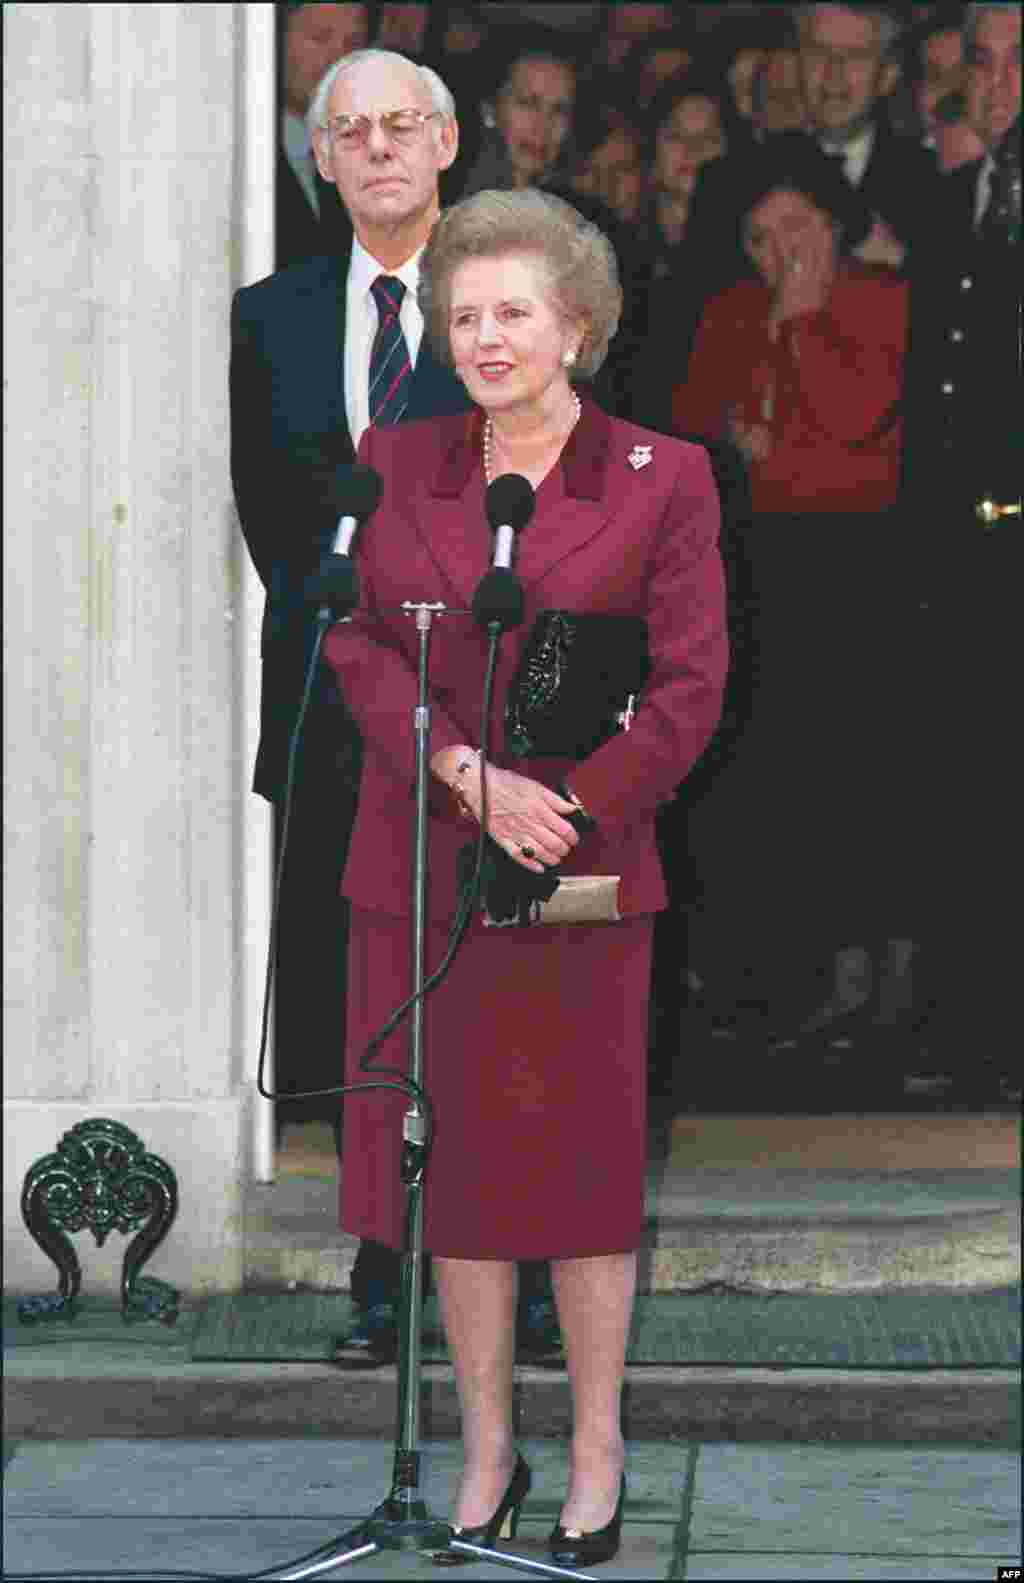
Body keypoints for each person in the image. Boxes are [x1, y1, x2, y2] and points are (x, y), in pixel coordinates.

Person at [321, 187, 727, 1564]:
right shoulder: (401, 452)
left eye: (514, 312)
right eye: (465, 314)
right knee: (462, 1173)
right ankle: (487, 1441)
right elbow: (360, 642)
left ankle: (599, 1441)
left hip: (576, 878)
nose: (486, 338)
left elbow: (690, 686)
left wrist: (570, 801)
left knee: (580, 1172)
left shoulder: (664, 475)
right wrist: (460, 771)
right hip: (431, 862)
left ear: (578, 326)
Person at [231, 47, 558, 1367]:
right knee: (363, 997)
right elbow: (275, 517)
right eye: (348, 131)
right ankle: (383, 1268)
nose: (375, 149)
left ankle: (520, 1269)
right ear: (320, 158)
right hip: (336, 704)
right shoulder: (271, 314)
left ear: (445, 143)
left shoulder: (512, 297)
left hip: (492, 702)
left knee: (502, 994)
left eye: (399, 126)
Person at [670, 136, 913, 1088]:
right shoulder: (736, 309)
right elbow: (700, 424)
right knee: (788, 779)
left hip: (865, 566)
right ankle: (808, 981)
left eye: (797, 231)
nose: (782, 256)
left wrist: (806, 329)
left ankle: (883, 985)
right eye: (761, 239)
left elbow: (860, 422)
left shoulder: (880, 300)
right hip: (764, 564)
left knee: (866, 774)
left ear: (836, 227)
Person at [897, 1, 1020, 1103]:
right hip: (956, 547)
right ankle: (975, 1029)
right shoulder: (953, 204)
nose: (998, 80)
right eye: (984, 60)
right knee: (968, 792)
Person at [276, 2, 369, 268]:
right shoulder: (244, 149)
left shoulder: (362, 159)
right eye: (320, 37)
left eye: (353, 43)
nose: (338, 59)